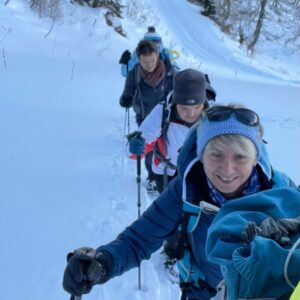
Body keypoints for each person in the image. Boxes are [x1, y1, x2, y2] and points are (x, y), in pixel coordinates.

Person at [62, 103, 297, 300]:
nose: (227, 170)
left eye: (240, 157)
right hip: (201, 293)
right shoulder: (188, 190)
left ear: (255, 157)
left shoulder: (281, 193)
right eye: (216, 154)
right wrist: (102, 263)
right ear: (202, 155)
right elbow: (139, 239)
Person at [128, 68, 216, 193]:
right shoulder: (162, 113)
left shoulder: (213, 115)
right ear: (175, 102)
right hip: (167, 173)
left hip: (200, 173)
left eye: (197, 107)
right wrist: (134, 147)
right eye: (184, 108)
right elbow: (134, 150)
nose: (191, 114)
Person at [120, 39, 175, 185]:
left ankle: (168, 175)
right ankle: (152, 176)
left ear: (157, 56)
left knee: (166, 146)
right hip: (144, 117)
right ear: (139, 59)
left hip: (167, 116)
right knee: (149, 148)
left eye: (152, 60)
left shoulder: (169, 71)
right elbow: (128, 91)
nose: (149, 65)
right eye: (145, 62)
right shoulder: (134, 74)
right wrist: (126, 98)